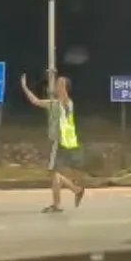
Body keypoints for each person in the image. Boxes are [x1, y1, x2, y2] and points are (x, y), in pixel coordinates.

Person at [20, 72, 85, 213]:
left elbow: (43, 101)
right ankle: (72, 193)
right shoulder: (57, 104)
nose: (55, 86)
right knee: (54, 172)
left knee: (52, 171)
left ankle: (66, 197)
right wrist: (25, 87)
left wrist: (25, 86)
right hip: (63, 142)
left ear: (64, 87)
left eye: (59, 84)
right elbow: (36, 101)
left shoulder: (65, 104)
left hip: (60, 141)